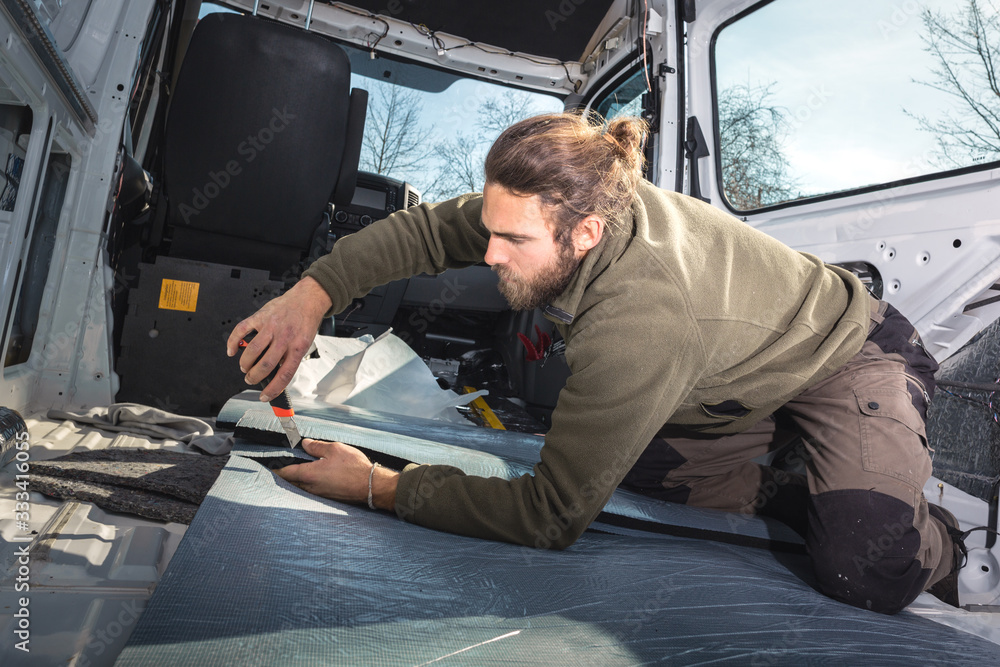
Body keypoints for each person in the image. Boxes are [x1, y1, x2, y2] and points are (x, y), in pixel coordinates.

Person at [227, 112, 964, 615]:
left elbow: (551, 515)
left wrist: (381, 486)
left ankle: (940, 538)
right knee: (648, 495)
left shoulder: (640, 318)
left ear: (584, 234)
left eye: (512, 243)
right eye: (491, 230)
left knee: (862, 565)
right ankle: (800, 487)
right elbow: (423, 233)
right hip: (728, 377)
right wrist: (312, 295)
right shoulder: (547, 202)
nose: (487, 255)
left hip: (843, 352)